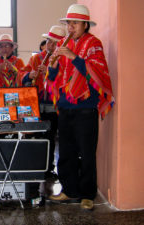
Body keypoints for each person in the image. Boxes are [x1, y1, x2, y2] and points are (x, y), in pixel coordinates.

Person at [45, 4, 114, 210]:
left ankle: (87, 194)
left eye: (75, 23)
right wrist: (54, 66)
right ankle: (69, 191)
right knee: (66, 152)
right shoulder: (63, 45)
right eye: (68, 23)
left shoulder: (94, 43)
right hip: (66, 107)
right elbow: (54, 79)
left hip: (86, 107)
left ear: (85, 25)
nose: (70, 27)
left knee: (86, 152)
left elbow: (97, 72)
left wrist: (73, 57)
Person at [22, 26, 66, 180]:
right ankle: (32, 165)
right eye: (48, 41)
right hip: (36, 103)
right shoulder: (35, 58)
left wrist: (49, 70)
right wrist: (30, 74)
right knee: (34, 135)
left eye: (54, 43)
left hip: (53, 104)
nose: (50, 45)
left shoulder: (62, 59)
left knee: (50, 136)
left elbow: (65, 79)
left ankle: (48, 168)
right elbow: (22, 74)